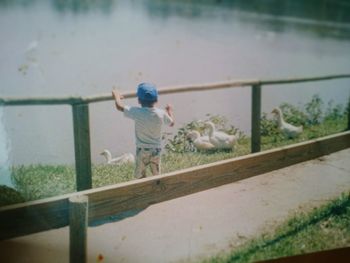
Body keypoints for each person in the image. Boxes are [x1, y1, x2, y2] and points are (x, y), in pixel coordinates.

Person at [112, 83, 175, 179]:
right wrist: (169, 110)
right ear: (157, 100)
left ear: (139, 100)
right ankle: (157, 189)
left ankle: (142, 189)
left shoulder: (137, 112)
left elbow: (119, 106)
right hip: (156, 150)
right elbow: (171, 123)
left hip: (142, 150)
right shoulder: (161, 113)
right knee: (156, 175)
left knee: (140, 176)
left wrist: (116, 95)